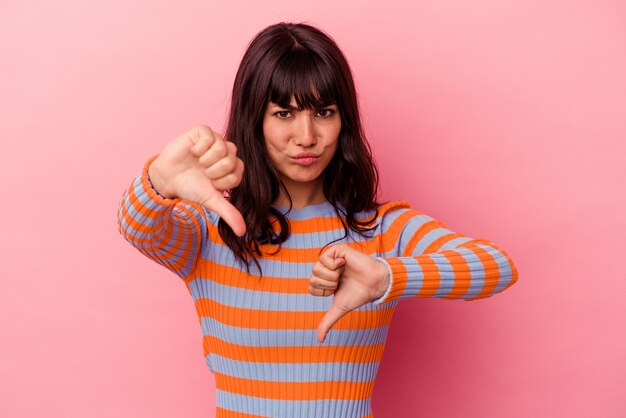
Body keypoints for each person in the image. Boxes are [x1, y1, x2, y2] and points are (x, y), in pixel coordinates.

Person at [117, 22, 518, 418]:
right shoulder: (212, 230)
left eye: (323, 112)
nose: (306, 136)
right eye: (284, 113)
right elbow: (136, 225)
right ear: (254, 120)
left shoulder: (381, 229)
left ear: (344, 121)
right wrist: (159, 179)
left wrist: (386, 276)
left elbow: (496, 266)